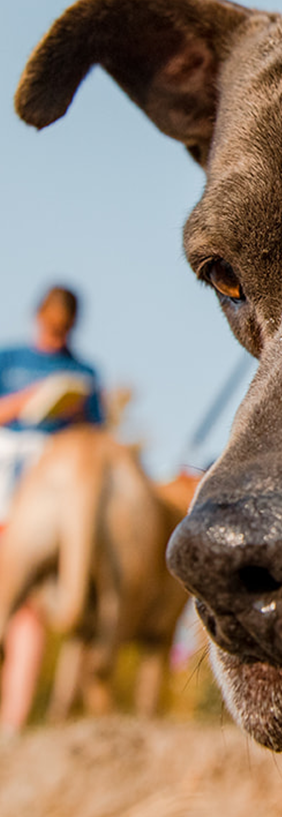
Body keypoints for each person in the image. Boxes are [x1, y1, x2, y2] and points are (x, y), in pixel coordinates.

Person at [0, 285, 104, 735]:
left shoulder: (84, 373)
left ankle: (12, 726)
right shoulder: (8, 359)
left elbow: (98, 437)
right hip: (5, 477)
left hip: (51, 498)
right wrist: (26, 402)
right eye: (51, 326)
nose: (57, 334)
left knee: (29, 609)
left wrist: (75, 412)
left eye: (64, 329)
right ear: (37, 317)